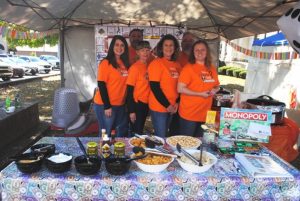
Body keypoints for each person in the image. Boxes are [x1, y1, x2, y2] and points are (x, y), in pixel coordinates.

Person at [177, 39, 220, 137]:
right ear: (193, 52)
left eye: (203, 50)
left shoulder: (212, 68)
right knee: (187, 143)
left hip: (207, 114)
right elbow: (180, 88)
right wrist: (200, 94)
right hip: (190, 113)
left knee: (202, 142)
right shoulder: (188, 68)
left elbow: (217, 85)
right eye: (197, 50)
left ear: (207, 52)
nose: (200, 52)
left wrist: (215, 90)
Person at [93, 35, 130, 137]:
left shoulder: (124, 63)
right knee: (106, 133)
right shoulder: (105, 62)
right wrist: (107, 106)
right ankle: (102, 152)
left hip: (120, 105)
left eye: (122, 45)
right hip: (105, 105)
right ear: (112, 46)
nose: (119, 47)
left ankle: (116, 152)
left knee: (119, 132)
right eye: (117, 44)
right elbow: (101, 84)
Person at [148, 34, 181, 137]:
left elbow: (180, 86)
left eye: (171, 45)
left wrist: (177, 103)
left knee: (167, 136)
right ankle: (158, 153)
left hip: (172, 106)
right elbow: (154, 87)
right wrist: (167, 105)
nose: (168, 48)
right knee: (161, 137)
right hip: (159, 107)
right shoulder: (156, 63)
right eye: (166, 45)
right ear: (161, 48)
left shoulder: (177, 65)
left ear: (175, 48)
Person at [126, 41, 152, 134]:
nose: (145, 53)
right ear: (137, 52)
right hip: (137, 104)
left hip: (146, 103)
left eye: (147, 50)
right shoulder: (134, 68)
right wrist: (131, 110)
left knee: (140, 130)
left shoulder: (149, 66)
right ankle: (134, 148)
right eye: (142, 50)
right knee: (136, 132)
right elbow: (129, 90)